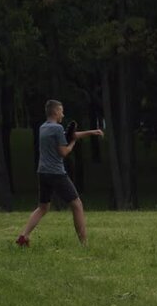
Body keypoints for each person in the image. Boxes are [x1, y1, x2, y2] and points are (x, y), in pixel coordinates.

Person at [15, 100, 103, 247]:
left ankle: (24, 236)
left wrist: (92, 132)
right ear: (56, 112)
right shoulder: (57, 128)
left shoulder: (43, 127)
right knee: (77, 205)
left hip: (42, 172)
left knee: (42, 207)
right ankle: (84, 244)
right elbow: (64, 152)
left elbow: (68, 135)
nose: (63, 114)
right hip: (56, 173)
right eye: (61, 111)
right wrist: (73, 143)